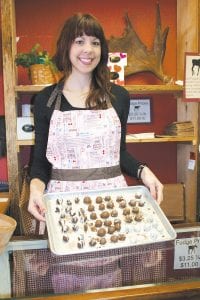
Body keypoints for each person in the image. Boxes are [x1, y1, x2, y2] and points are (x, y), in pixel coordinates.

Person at [28, 13, 163, 223]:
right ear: (66, 46)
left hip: (111, 202)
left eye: (95, 42)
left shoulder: (118, 97)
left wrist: (143, 171)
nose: (88, 50)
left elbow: (119, 153)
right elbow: (40, 163)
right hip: (63, 203)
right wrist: (35, 190)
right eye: (79, 41)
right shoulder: (45, 99)